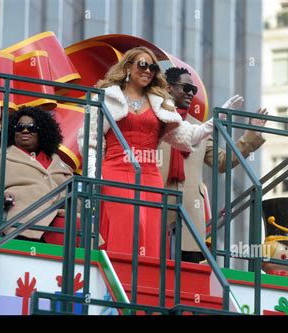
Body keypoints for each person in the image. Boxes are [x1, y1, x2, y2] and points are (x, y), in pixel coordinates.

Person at [77, 47, 231, 258]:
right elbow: (90, 139)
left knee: (148, 232)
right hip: (115, 173)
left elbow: (187, 136)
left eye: (153, 67)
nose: (148, 70)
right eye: (142, 64)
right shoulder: (108, 97)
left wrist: (214, 122)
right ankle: (116, 283)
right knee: (125, 227)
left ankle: (142, 284)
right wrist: (94, 174)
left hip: (149, 176)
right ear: (128, 67)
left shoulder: (160, 102)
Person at [159, 67, 268, 263]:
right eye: (186, 87)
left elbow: (222, 162)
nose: (191, 93)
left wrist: (251, 135)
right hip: (156, 207)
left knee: (189, 277)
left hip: (190, 216)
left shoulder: (199, 128)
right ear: (168, 88)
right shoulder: (152, 119)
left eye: (194, 89)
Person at [0, 106, 74, 242]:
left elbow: (77, 201)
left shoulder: (62, 167)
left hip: (58, 225)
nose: (25, 130)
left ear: (43, 132)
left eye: (32, 127)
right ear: (12, 132)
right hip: (16, 224)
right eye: (19, 127)